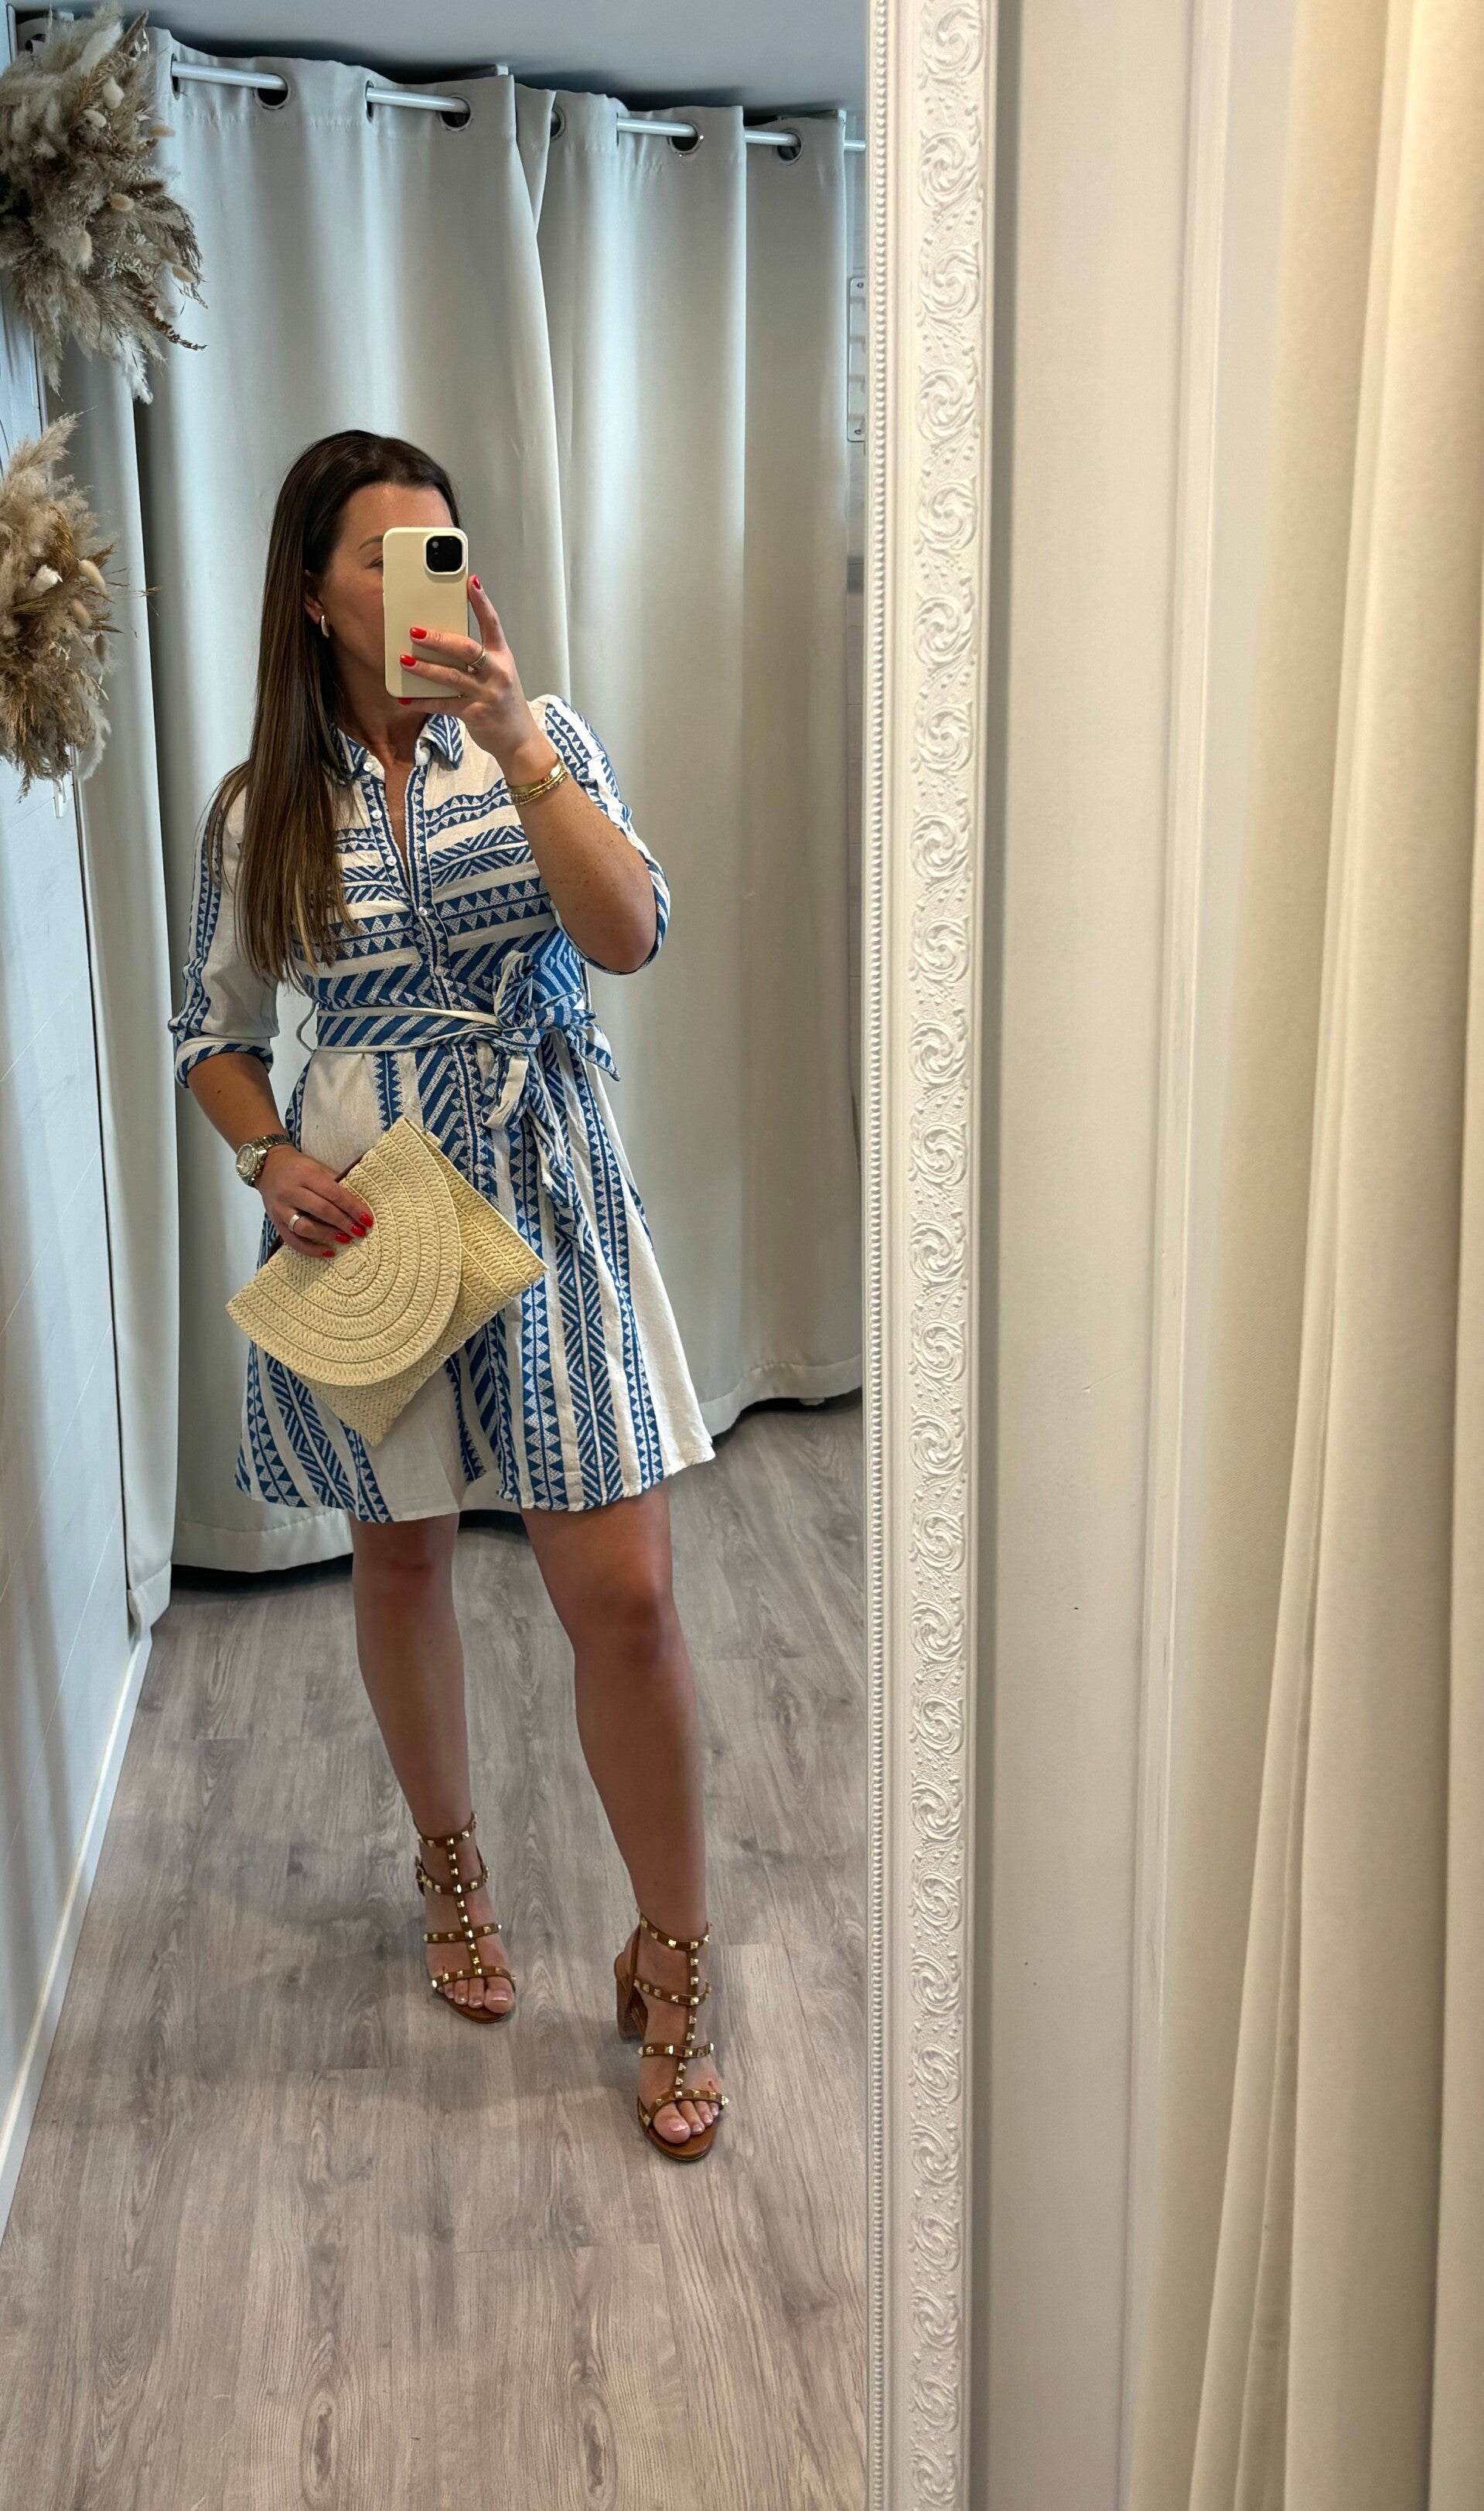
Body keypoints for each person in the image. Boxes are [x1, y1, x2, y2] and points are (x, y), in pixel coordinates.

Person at [169, 429, 728, 2160]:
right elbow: (214, 1035)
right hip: (372, 1205)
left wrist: (520, 746)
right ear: (312, 594)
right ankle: (450, 1869)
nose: (430, 581)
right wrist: (269, 1159)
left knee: (625, 1598)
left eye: (444, 548)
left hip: (545, 1178)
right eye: (386, 555)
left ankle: (674, 1957)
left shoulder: (537, 737)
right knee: (402, 1555)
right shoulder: (261, 808)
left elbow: (629, 934)